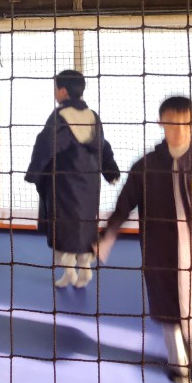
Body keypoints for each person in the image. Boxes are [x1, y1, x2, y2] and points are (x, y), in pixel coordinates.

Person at [97, 96, 192, 383]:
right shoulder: (145, 167)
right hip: (160, 252)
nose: (178, 130)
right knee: (170, 314)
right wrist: (104, 241)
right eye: (171, 123)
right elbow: (123, 208)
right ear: (161, 123)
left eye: (185, 123)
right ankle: (179, 366)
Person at [24, 69, 120, 289]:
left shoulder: (60, 117)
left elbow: (46, 145)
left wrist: (34, 172)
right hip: (89, 183)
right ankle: (85, 268)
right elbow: (102, 145)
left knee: (64, 227)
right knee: (85, 226)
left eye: (56, 88)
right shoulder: (92, 116)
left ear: (63, 91)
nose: (55, 92)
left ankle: (69, 271)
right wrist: (110, 170)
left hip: (65, 183)